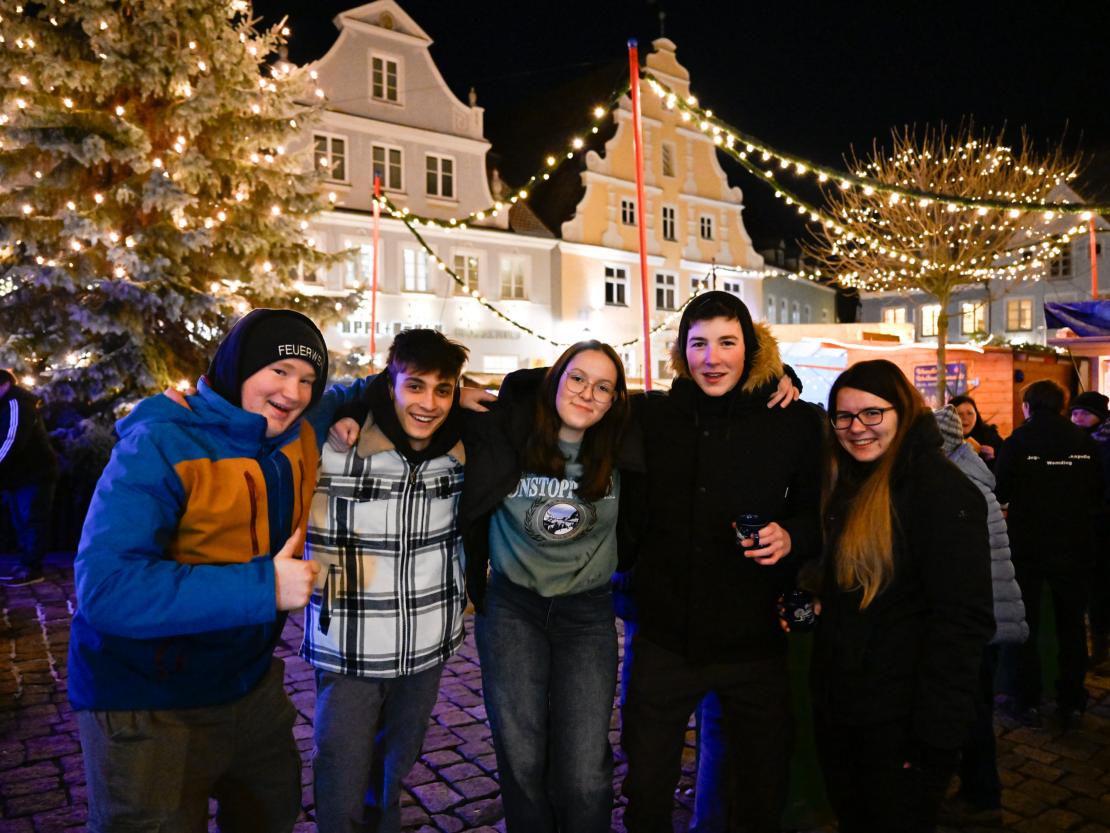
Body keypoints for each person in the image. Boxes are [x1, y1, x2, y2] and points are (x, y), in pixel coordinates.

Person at [68, 309, 342, 833]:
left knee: (270, 813)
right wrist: (266, 586)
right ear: (239, 367)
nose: (295, 391)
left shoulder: (296, 432)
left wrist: (468, 399)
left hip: (249, 684)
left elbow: (367, 392)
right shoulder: (159, 444)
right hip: (147, 701)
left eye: (309, 379)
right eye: (279, 371)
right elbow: (107, 589)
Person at [619, 291, 823, 833]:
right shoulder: (651, 416)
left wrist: (792, 535)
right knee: (645, 786)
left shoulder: (794, 421)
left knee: (758, 788)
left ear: (750, 349)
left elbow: (816, 512)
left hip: (754, 641)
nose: (712, 358)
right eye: (699, 343)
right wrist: (372, 398)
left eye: (727, 342)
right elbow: (563, 391)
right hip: (664, 636)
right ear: (681, 353)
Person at [459, 340, 636, 833]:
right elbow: (411, 399)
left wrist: (778, 379)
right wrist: (452, 392)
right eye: (577, 378)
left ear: (616, 400)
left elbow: (701, 401)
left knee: (584, 772)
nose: (588, 394)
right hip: (513, 608)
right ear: (554, 379)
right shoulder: (507, 432)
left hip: (587, 614)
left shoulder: (624, 443)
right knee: (521, 759)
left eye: (604, 387)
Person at [811, 360, 993, 833]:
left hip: (902, 723)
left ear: (903, 412)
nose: (857, 428)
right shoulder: (852, 482)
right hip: (849, 711)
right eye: (844, 417)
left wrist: (932, 743)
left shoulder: (941, 493)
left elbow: (962, 624)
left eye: (872, 414)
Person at [303, 328, 471, 833]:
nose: (429, 403)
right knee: (340, 765)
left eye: (443, 390)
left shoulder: (459, 451)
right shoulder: (338, 444)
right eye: (414, 386)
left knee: (396, 762)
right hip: (349, 642)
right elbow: (301, 409)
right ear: (390, 384)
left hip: (427, 640)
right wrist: (354, 400)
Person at [933, 405, 1028, 827]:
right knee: (975, 710)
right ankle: (977, 790)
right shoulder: (971, 474)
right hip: (987, 617)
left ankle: (981, 796)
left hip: (976, 621)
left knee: (969, 713)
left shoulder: (959, 486)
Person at [996, 379, 1103, 729]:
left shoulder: (1019, 441)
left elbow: (1002, 489)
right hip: (1075, 546)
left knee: (1027, 623)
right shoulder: (1083, 442)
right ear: (1062, 405)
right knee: (1072, 625)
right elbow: (1097, 491)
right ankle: (1071, 700)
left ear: (1027, 407)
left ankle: (1026, 699)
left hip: (1029, 547)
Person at [0, 369, 59, 586]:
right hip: (16, 476)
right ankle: (25, 563)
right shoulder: (6, 403)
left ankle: (32, 568)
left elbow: (12, 440)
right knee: (20, 520)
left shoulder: (17, 404)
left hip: (34, 474)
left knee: (32, 519)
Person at [1068, 390, 1110, 670]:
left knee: (1100, 589)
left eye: (1084, 413)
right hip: (1084, 525)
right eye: (1074, 412)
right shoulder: (1077, 443)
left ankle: (1101, 651)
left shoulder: (1101, 445)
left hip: (1103, 526)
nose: (1077, 418)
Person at [950, 393, 1004, 465]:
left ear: (976, 415)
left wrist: (994, 455)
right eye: (959, 414)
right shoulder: (941, 438)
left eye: (970, 413)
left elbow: (1008, 462)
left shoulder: (990, 436)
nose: (965, 418)